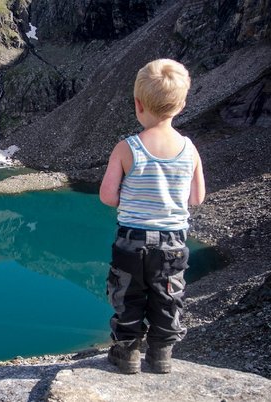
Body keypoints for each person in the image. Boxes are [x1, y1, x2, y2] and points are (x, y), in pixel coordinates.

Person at [99, 58, 206, 374]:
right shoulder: (189, 148)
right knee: (167, 295)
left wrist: (131, 198)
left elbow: (108, 195)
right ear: (182, 104)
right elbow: (197, 198)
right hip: (173, 242)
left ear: (138, 103)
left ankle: (127, 354)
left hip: (131, 240)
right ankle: (160, 355)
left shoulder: (127, 147)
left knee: (127, 295)